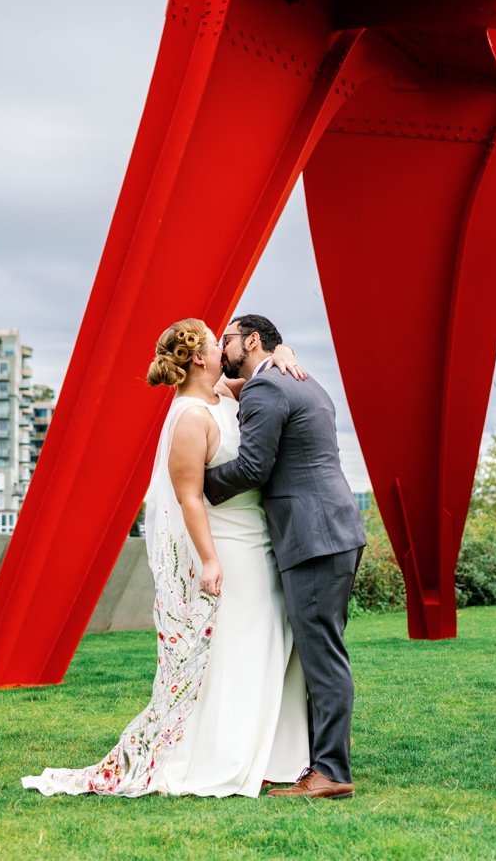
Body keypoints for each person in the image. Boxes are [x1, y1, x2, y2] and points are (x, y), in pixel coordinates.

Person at [22, 318, 308, 797]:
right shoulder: (189, 418)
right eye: (218, 344)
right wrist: (210, 561)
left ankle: (269, 751)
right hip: (228, 548)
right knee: (237, 651)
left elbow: (262, 371)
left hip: (259, 539)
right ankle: (223, 755)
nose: (224, 349)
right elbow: (189, 497)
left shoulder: (225, 396)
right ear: (199, 357)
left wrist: (286, 352)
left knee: (266, 643)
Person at [204, 314, 367, 801]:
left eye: (227, 339)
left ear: (252, 340)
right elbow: (234, 384)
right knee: (322, 652)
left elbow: (254, 466)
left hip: (312, 537)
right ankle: (318, 762)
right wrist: (285, 350)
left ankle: (331, 772)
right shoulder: (298, 379)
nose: (221, 347)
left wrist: (195, 487)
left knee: (323, 657)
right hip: (333, 530)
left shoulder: (267, 389)